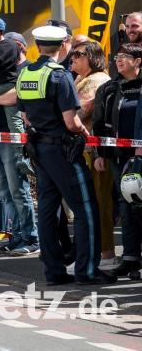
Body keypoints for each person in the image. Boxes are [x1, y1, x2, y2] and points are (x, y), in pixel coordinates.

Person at [17, 25, 114, 285]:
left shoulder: (25, 72)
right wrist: (84, 133)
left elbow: (24, 115)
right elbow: (71, 121)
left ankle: (54, 272)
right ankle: (87, 271)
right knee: (86, 209)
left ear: (38, 46)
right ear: (62, 47)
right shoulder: (60, 76)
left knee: (47, 211)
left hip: (38, 147)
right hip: (63, 150)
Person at [0, 21, 40, 256]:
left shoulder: (25, 71)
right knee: (4, 190)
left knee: (18, 189)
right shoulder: (2, 73)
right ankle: (16, 235)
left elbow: (15, 96)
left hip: (13, 136)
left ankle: (31, 237)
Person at [94, 44, 142, 278]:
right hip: (119, 158)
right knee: (126, 206)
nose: (119, 60)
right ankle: (131, 259)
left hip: (140, 157)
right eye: (117, 56)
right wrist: (100, 153)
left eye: (125, 57)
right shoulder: (110, 89)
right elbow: (100, 123)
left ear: (138, 61)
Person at [70, 41, 114, 267]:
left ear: (93, 57)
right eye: (73, 53)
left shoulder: (97, 80)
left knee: (98, 202)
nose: (73, 57)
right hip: (85, 150)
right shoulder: (81, 78)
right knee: (88, 203)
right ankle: (91, 254)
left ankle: (104, 253)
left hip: (94, 151)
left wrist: (61, 113)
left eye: (79, 54)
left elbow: (83, 109)